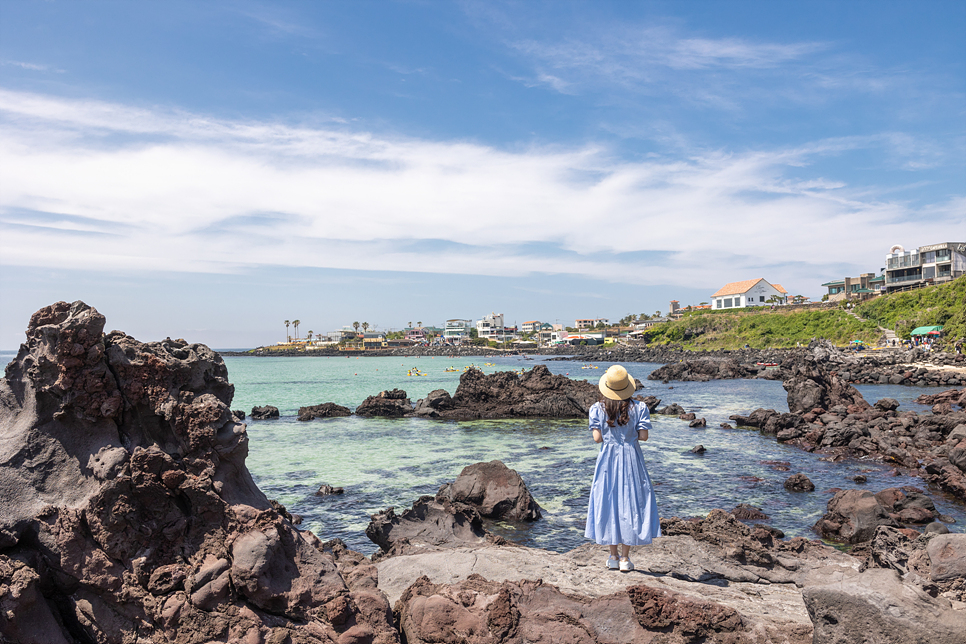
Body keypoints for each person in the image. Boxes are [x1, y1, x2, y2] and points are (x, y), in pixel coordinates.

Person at [585, 365, 660, 572]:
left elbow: (597, 439)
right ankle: (625, 559)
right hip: (631, 458)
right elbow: (643, 437)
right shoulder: (640, 408)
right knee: (631, 503)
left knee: (609, 502)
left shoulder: (596, 408)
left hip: (608, 460)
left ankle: (612, 556)